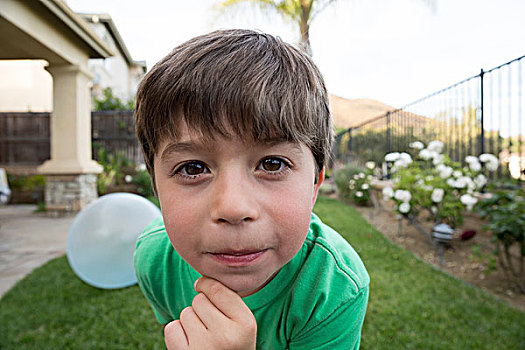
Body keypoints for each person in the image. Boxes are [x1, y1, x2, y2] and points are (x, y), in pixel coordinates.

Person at [133, 29, 369, 349]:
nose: (233, 208)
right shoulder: (153, 260)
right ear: (156, 189)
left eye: (272, 164)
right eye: (193, 168)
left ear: (315, 184)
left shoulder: (336, 288)